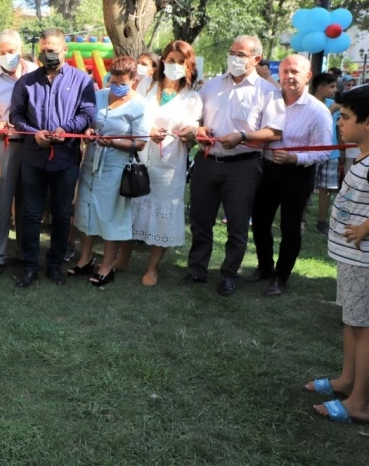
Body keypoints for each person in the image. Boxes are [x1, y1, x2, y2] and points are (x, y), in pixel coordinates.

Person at [184, 35, 284, 296]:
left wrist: (243, 136)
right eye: (232, 52)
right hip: (206, 162)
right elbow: (196, 120)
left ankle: (229, 274)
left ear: (256, 59)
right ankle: (197, 269)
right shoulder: (212, 86)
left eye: (240, 54)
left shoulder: (267, 91)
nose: (234, 58)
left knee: (237, 225)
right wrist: (200, 129)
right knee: (200, 219)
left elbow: (274, 132)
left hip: (243, 166)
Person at [11, 28, 96, 288]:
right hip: (34, 157)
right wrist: (34, 134)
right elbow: (16, 116)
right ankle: (29, 266)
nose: (48, 54)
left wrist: (67, 129)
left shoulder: (82, 80)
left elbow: (88, 113)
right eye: (44, 49)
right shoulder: (25, 82)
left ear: (65, 50)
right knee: (30, 214)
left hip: (66, 157)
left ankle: (55, 264)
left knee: (61, 214)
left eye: (53, 49)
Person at [116, 41, 202, 286]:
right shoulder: (146, 84)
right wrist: (148, 129)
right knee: (132, 205)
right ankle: (123, 258)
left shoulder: (192, 97)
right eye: (170, 60)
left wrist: (190, 133)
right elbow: (132, 113)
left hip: (171, 164)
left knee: (163, 212)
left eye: (180, 61)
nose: (174, 65)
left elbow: (193, 129)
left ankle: (152, 268)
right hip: (140, 157)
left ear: (188, 66)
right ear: (163, 61)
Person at [308, 85, 369, 424]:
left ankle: (359, 401)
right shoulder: (359, 154)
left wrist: (366, 227)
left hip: (365, 260)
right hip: (352, 259)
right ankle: (347, 380)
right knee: (352, 322)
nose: (339, 123)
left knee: (365, 329)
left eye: (345, 117)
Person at [248, 55, 332, 296]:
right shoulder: (269, 101)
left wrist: (296, 158)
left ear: (308, 76)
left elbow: (325, 151)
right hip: (267, 169)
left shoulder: (318, 111)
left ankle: (281, 277)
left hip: (298, 174)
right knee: (260, 221)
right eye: (285, 71)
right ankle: (264, 268)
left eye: (295, 71)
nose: (289, 76)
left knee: (290, 226)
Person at [73, 57, 147, 287]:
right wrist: (88, 131)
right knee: (85, 209)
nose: (115, 85)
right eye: (112, 80)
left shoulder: (139, 105)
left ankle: (107, 264)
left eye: (121, 82)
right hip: (91, 163)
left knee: (111, 215)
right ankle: (85, 259)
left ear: (133, 81)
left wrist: (113, 142)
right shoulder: (99, 95)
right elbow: (89, 121)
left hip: (116, 168)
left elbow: (141, 142)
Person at [0, 29, 37, 274]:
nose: (6, 56)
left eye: (11, 51)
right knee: (1, 203)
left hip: (35, 145)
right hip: (4, 145)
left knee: (29, 202)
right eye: (1, 52)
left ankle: (26, 254)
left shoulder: (36, 72)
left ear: (20, 49)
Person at [312, 72, 341, 234]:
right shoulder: (308, 103)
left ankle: (321, 222)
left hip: (332, 153)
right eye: (331, 86)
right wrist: (330, 110)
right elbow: (313, 123)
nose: (334, 90)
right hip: (310, 153)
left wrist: (341, 151)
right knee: (307, 188)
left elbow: (338, 127)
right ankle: (300, 220)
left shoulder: (333, 103)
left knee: (327, 189)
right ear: (320, 87)